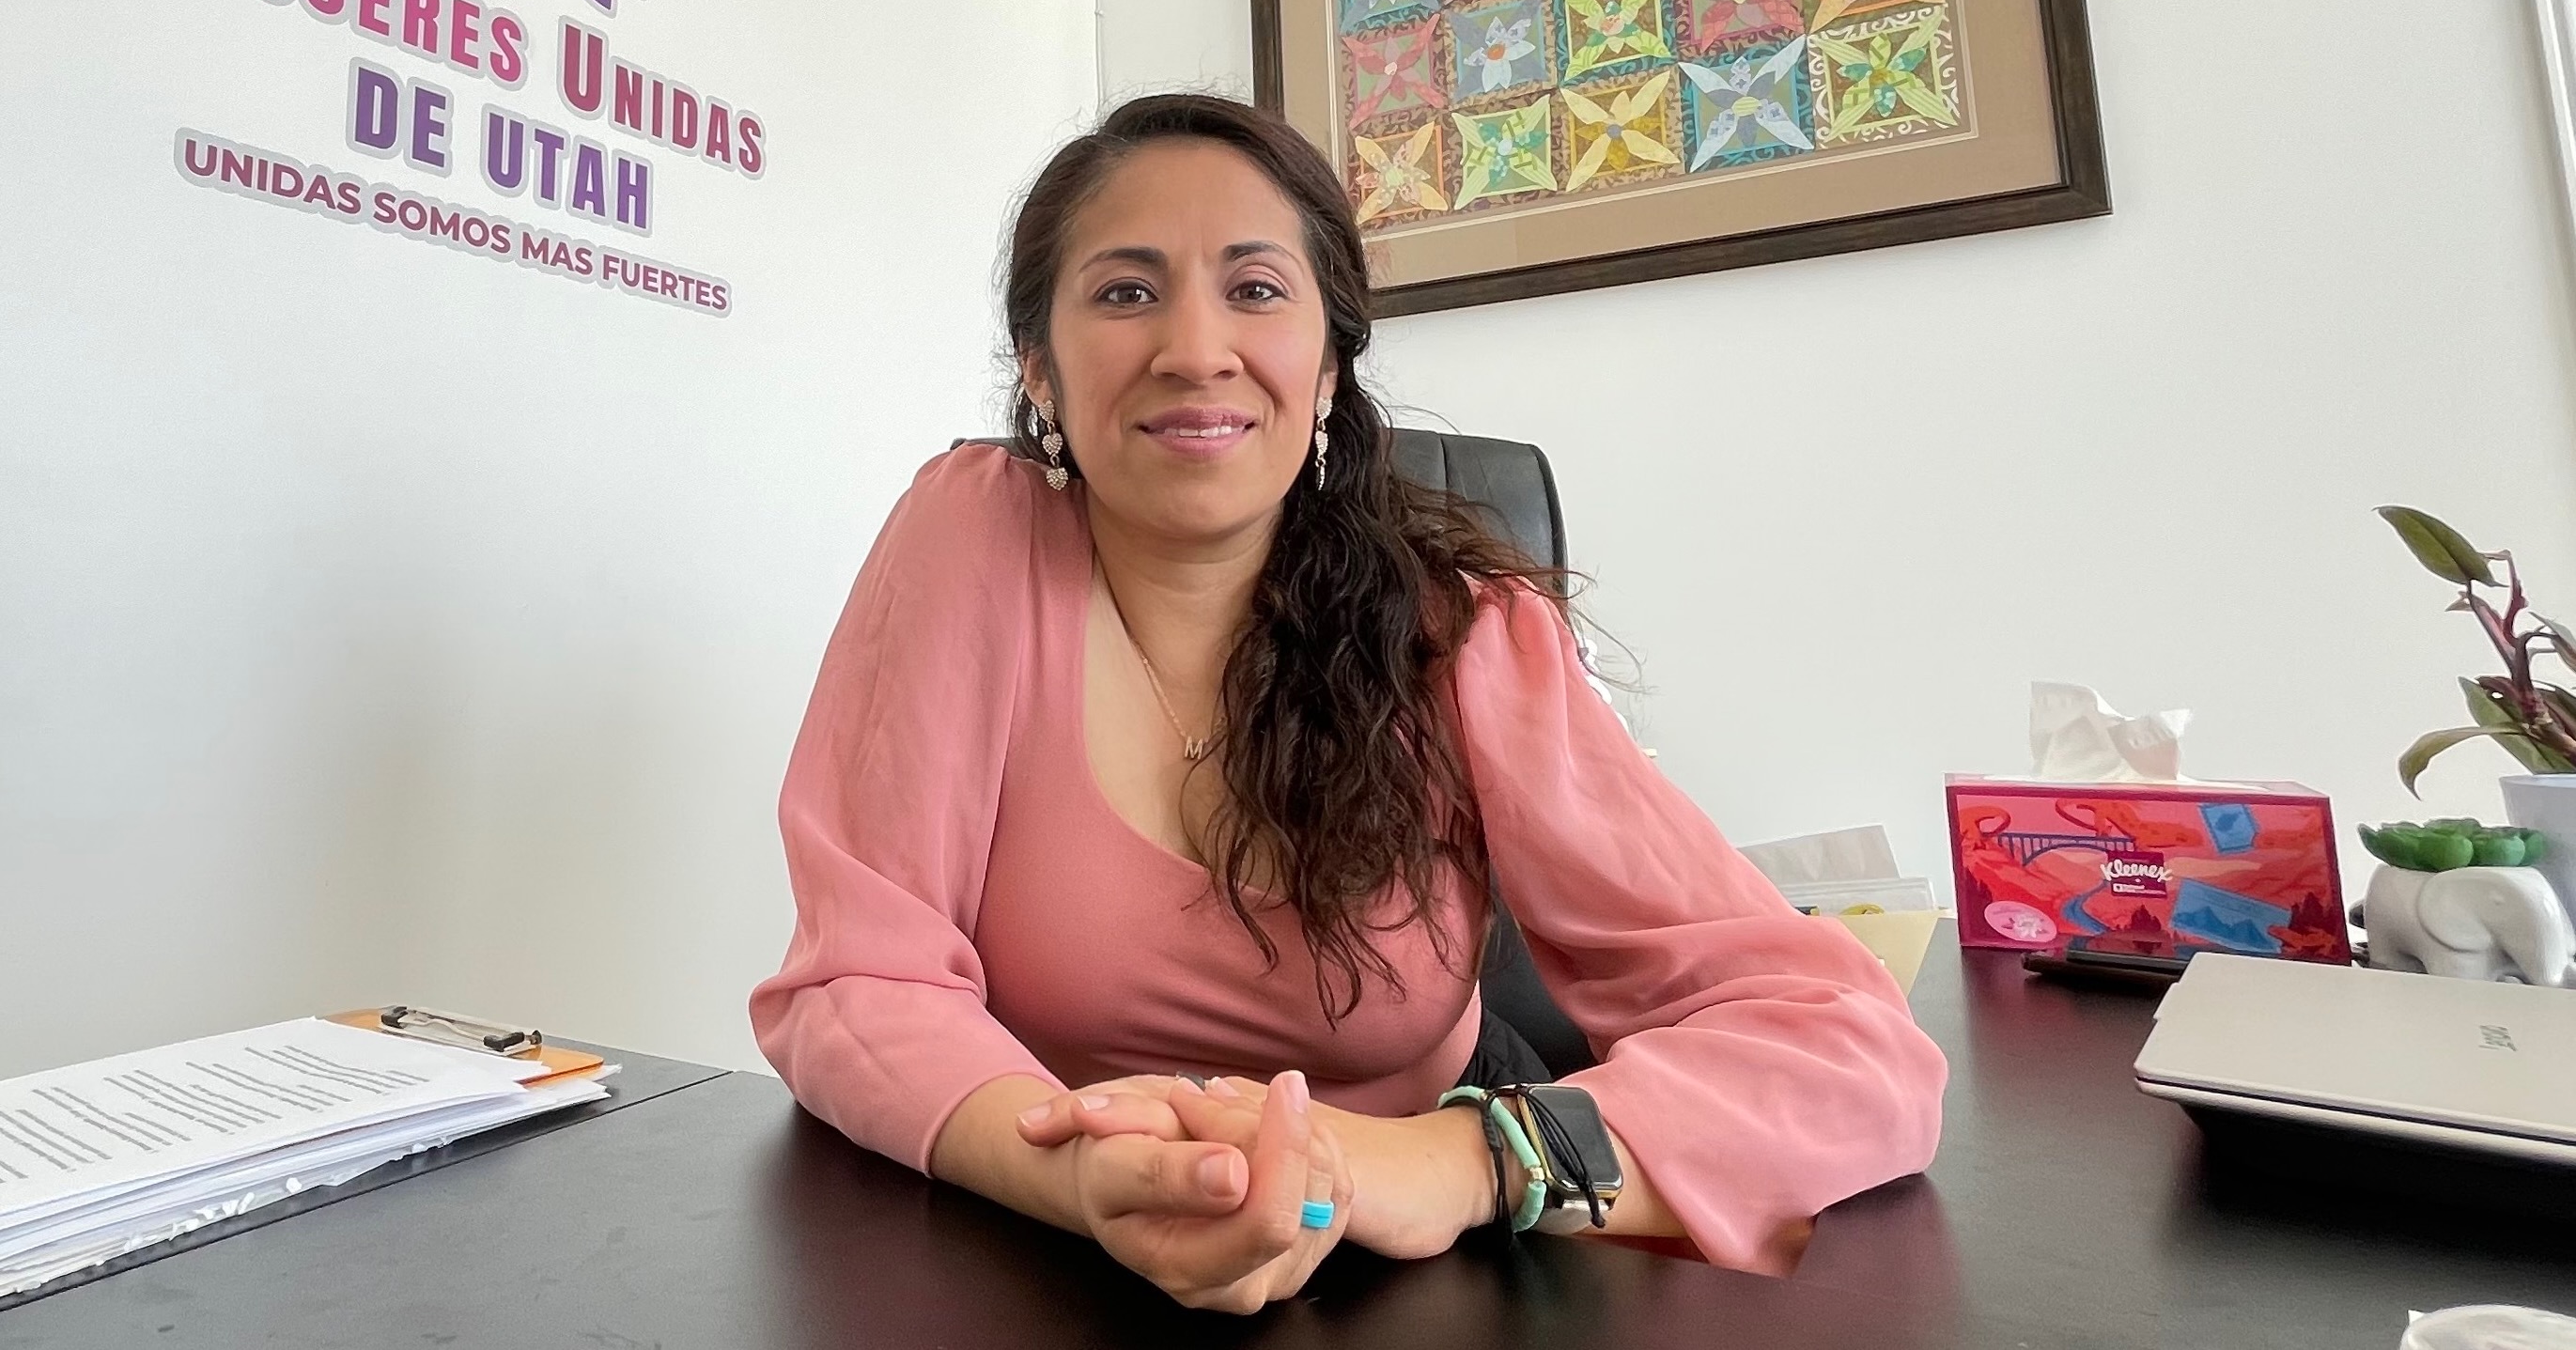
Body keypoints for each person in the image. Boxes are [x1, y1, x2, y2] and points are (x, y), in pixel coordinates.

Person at [749, 93, 1945, 1313]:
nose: (1195, 347)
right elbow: (858, 980)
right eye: (1124, 291)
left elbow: (1849, 1046)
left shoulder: (1466, 633)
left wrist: (1456, 1159)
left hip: (1423, 1268)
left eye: (1256, 290)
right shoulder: (971, 538)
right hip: (1030, 1245)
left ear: (1326, 366)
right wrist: (1090, 1174)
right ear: (1039, 371)